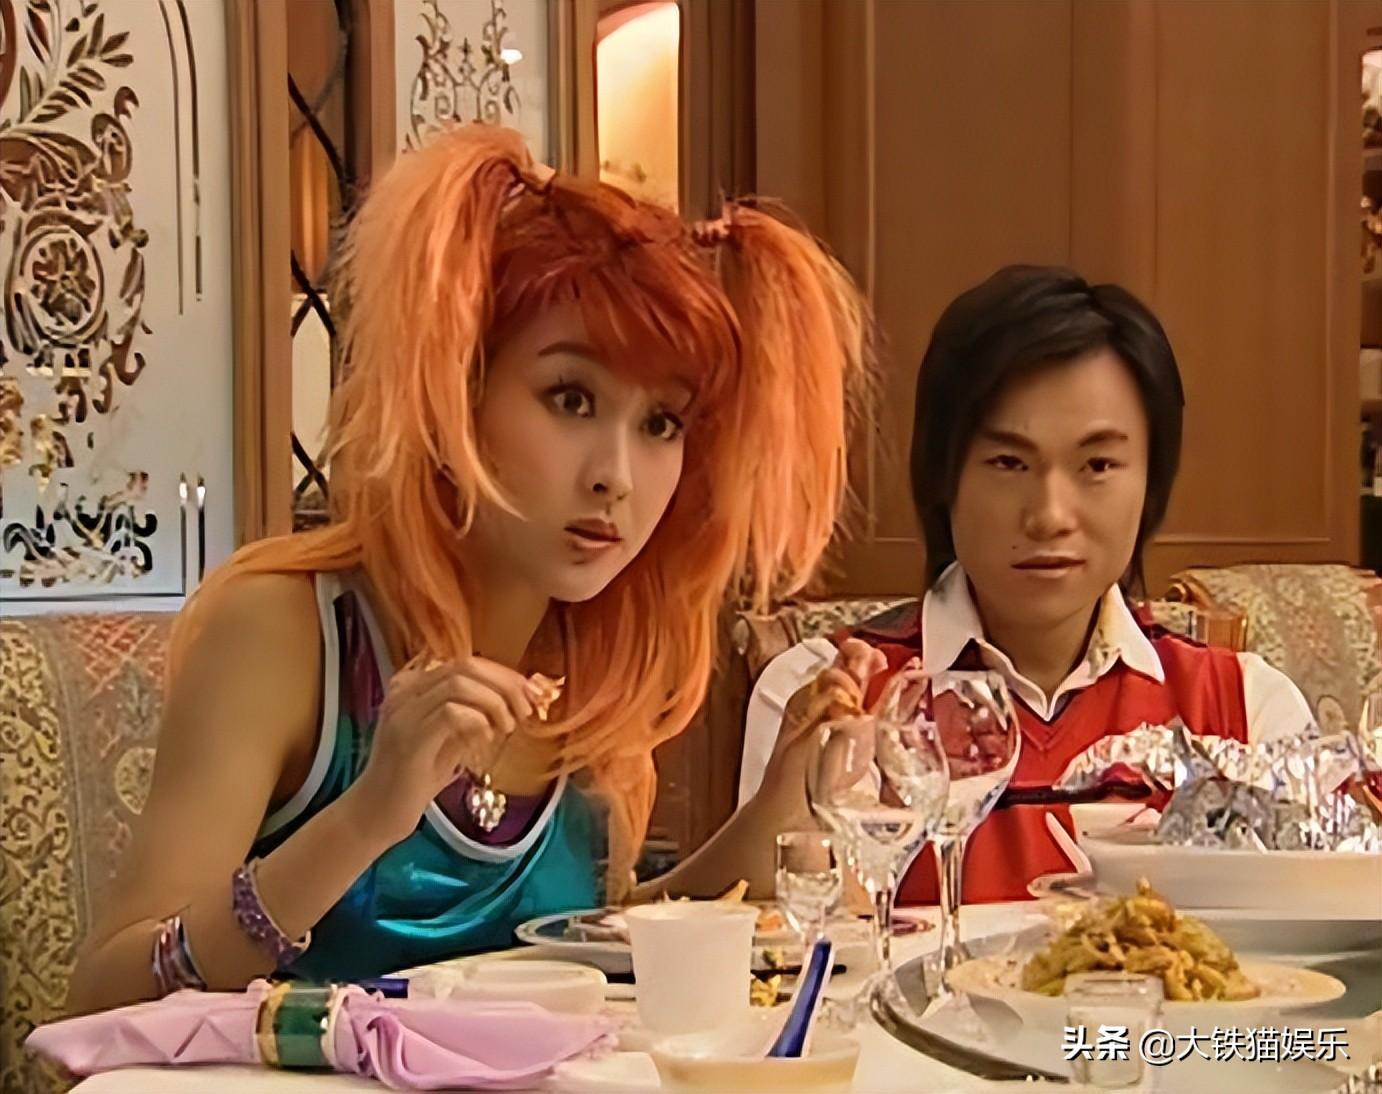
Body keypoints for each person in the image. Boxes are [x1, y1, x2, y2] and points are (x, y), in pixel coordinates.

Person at [66, 124, 870, 1012]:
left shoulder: (594, 655)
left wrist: (770, 816)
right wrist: (367, 816)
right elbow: (103, 1002)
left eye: (660, 424)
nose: (616, 474)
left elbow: (571, 955)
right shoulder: (287, 630)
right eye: (571, 399)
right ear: (459, 391)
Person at [739, 264, 1313, 903]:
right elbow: (787, 941)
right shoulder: (822, 695)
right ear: (944, 476)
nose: (1049, 516)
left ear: (1152, 482)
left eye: (1098, 464)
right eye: (1009, 462)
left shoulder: (1246, 711)